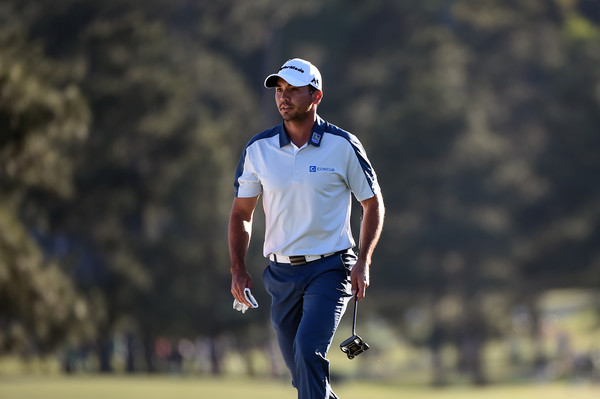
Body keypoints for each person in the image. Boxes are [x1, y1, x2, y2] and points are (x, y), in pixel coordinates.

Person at [228, 58, 384, 399]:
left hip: (330, 268)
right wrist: (238, 269)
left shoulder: (342, 145)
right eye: (279, 91)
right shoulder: (258, 150)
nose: (284, 97)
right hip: (280, 275)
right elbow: (242, 213)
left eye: (294, 90)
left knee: (309, 352)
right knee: (302, 373)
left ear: (316, 96)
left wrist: (364, 261)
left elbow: (372, 203)